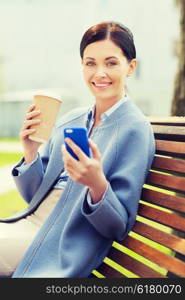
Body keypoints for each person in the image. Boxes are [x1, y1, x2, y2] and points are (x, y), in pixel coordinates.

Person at [0, 21, 155, 278]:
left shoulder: (135, 130)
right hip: (31, 224)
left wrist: (96, 185)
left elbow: (118, 226)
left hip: (61, 243)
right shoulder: (72, 119)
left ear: (131, 67)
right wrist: (30, 152)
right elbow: (34, 197)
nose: (99, 73)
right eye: (90, 63)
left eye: (111, 63)